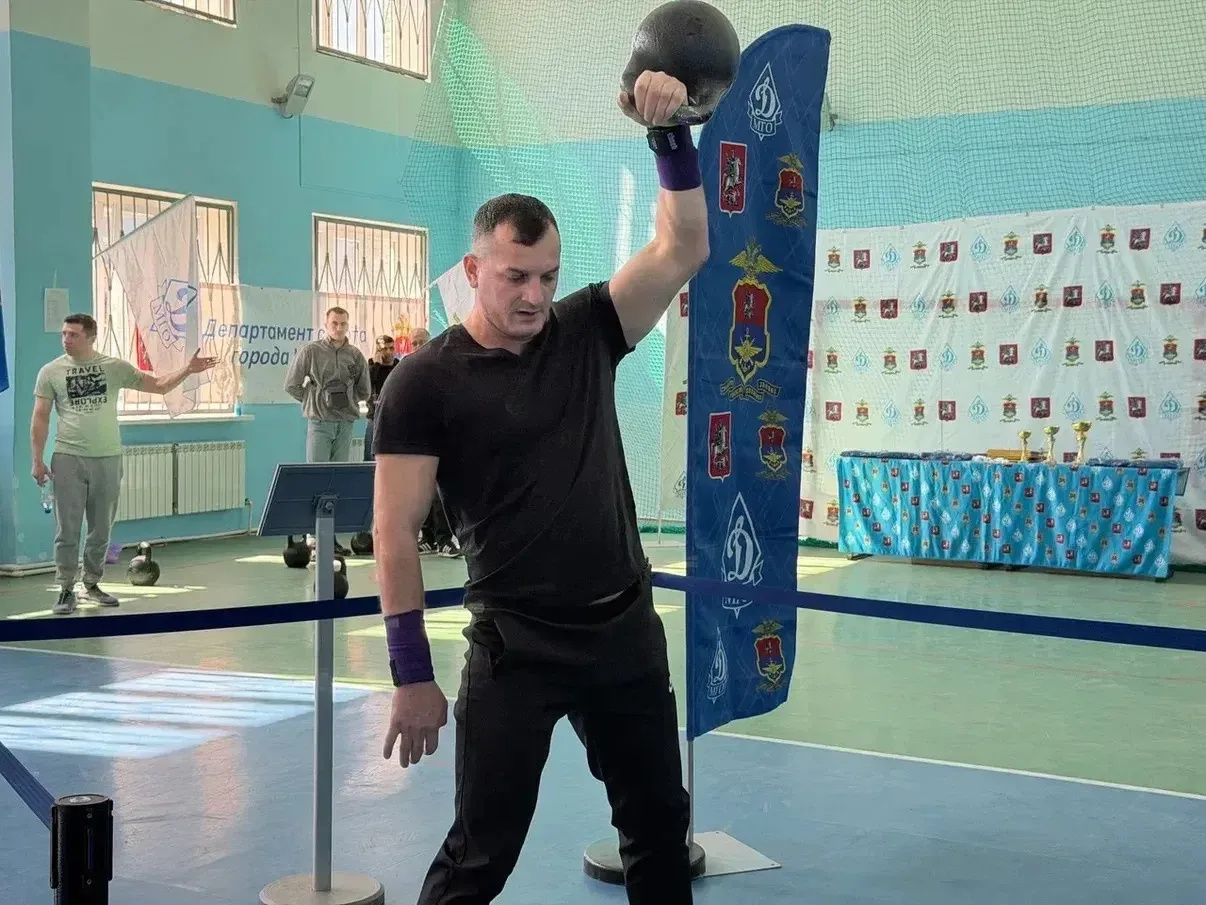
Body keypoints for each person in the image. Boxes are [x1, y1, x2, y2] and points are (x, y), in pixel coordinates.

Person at [372, 70, 707, 905]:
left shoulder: (588, 328)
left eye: (548, 276)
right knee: (480, 853)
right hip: (515, 644)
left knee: (659, 828)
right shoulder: (423, 382)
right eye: (516, 276)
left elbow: (683, 248)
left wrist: (668, 136)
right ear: (473, 269)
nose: (534, 296)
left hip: (622, 631)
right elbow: (394, 528)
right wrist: (411, 671)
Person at [30, 313, 216, 615]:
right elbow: (40, 417)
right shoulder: (51, 372)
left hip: (108, 457)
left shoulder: (114, 368)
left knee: (101, 527)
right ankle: (65, 588)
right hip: (68, 458)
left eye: (73, 335)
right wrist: (37, 460)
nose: (66, 339)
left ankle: (91, 583)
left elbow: (158, 385)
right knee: (67, 529)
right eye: (64, 334)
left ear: (91, 338)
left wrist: (188, 369)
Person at [284, 305, 371, 554]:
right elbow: (291, 385)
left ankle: (330, 537)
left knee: (336, 481)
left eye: (343, 324)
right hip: (319, 423)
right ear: (326, 324)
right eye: (335, 323)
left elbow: (364, 390)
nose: (339, 328)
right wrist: (314, 400)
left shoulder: (355, 355)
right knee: (317, 478)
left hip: (345, 424)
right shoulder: (311, 351)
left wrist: (346, 399)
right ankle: (313, 537)